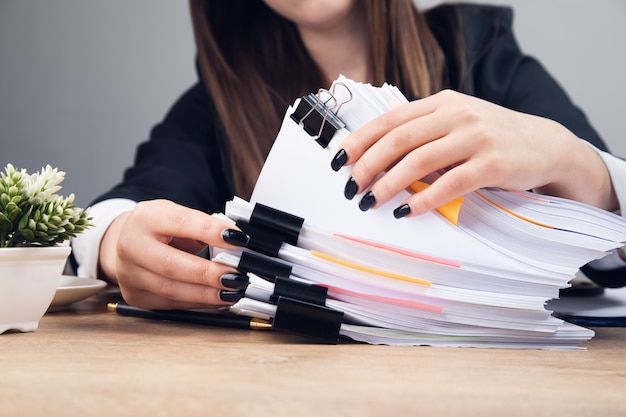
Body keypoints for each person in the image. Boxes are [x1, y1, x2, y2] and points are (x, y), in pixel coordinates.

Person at [72, 0, 626, 310]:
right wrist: (115, 241)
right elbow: (121, 205)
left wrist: (579, 164)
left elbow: (613, 243)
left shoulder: (476, 48)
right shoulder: (216, 109)